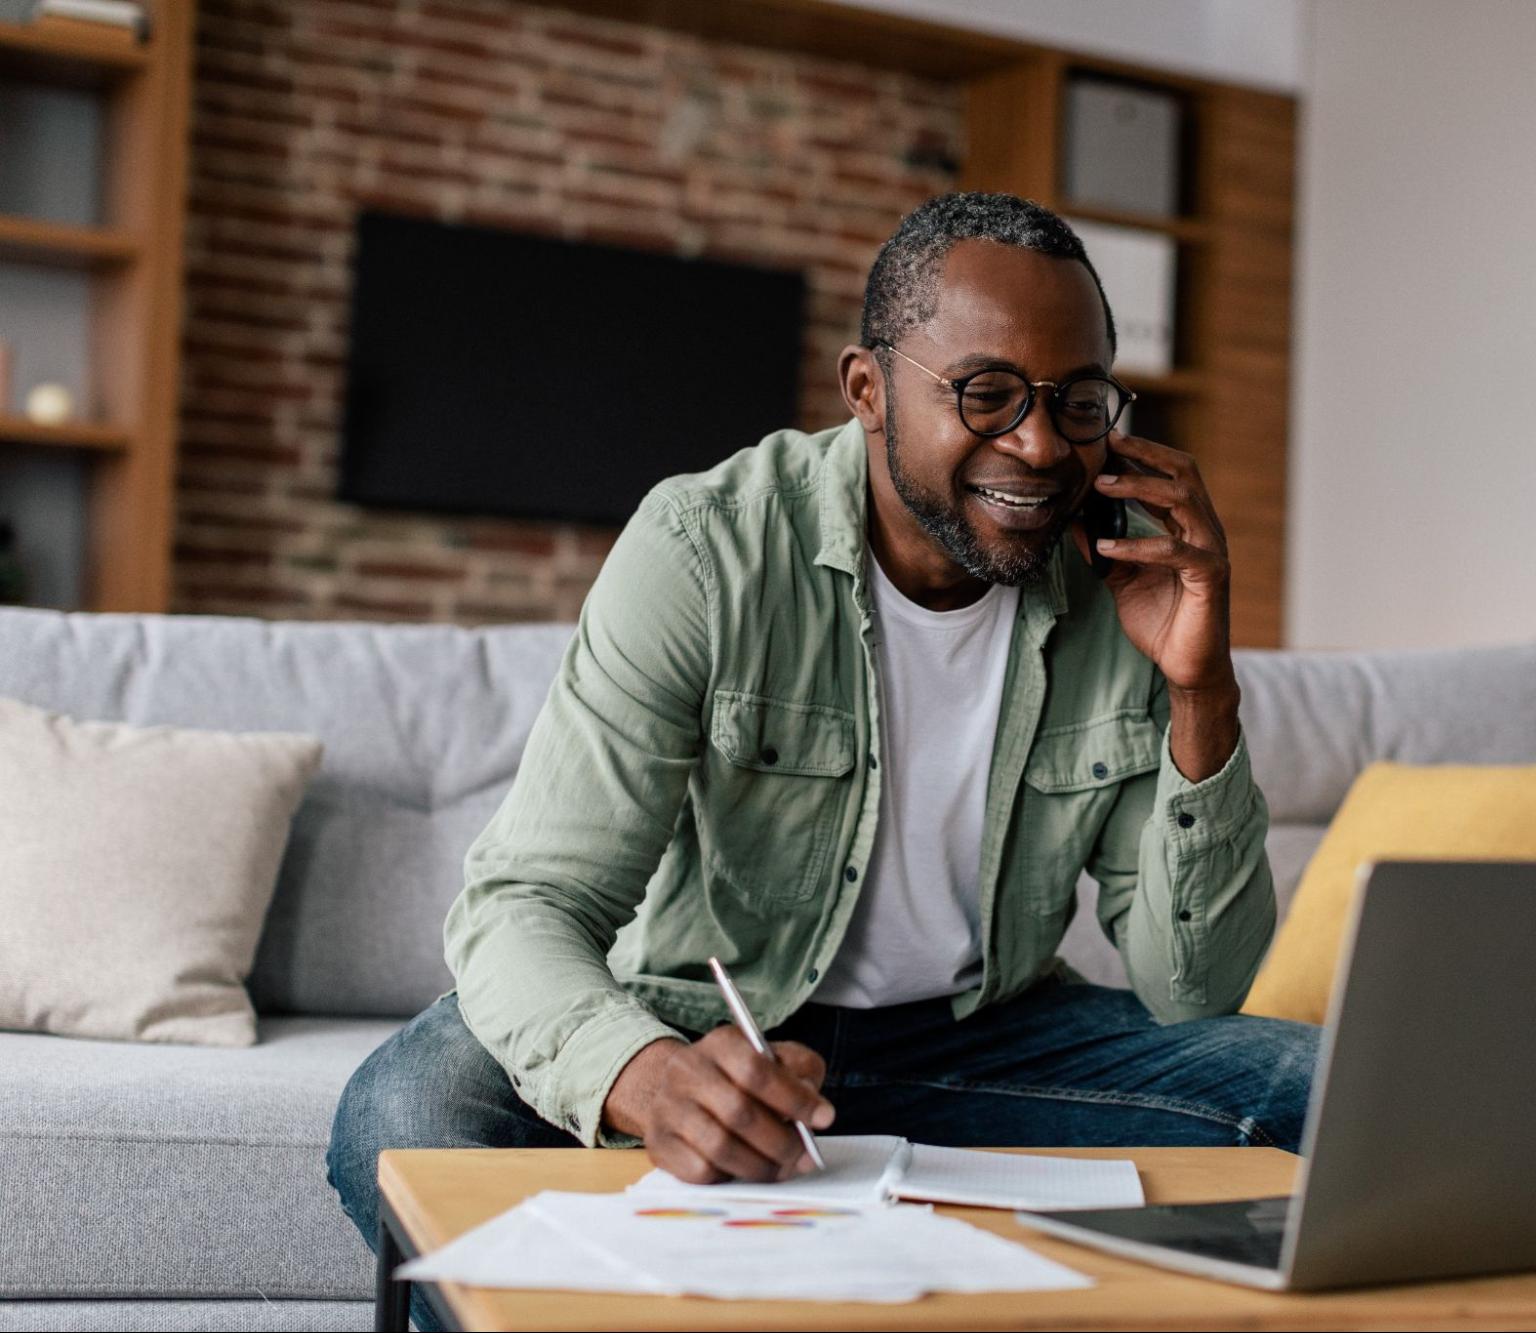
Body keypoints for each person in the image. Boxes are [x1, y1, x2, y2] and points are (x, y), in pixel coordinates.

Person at [328, 192, 1317, 1314]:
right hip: (714, 1024)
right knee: (407, 1114)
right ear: (866, 390)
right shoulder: (706, 548)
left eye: (1078, 402)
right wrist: (646, 1076)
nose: (1041, 446)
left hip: (983, 1036)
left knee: (1327, 1094)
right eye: (986, 393)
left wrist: (1202, 686)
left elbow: (1194, 992)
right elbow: (527, 902)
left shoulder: (1120, 584)